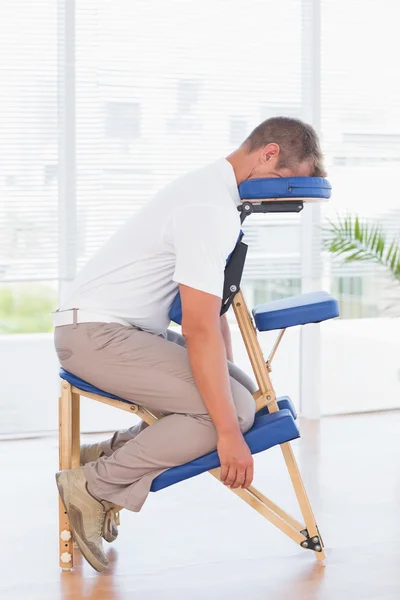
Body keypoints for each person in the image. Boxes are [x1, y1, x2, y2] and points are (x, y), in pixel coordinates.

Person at [54, 116, 326, 571]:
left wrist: (230, 383)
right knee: (229, 415)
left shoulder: (216, 194)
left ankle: (113, 453)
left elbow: (212, 308)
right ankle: (94, 485)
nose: (282, 197)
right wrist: (225, 434)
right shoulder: (209, 209)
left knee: (249, 404)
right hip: (95, 336)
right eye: (284, 183)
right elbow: (198, 328)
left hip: (124, 330)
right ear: (269, 154)